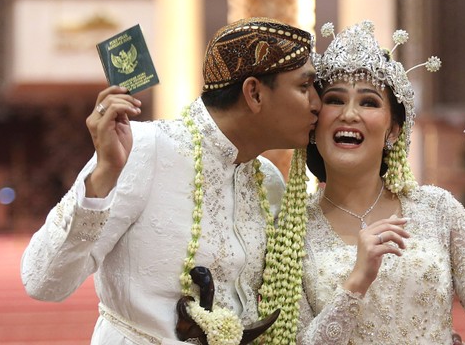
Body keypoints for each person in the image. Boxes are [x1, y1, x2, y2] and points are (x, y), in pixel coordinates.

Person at [20, 17, 320, 345]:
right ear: (254, 94)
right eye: (304, 87)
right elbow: (43, 281)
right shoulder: (144, 148)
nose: (317, 104)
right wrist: (104, 174)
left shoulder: (269, 181)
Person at [296, 21, 465, 344]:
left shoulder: (437, 209)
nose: (349, 114)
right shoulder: (293, 232)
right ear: (315, 124)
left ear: (393, 131)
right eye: (334, 100)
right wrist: (356, 283)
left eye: (368, 102)